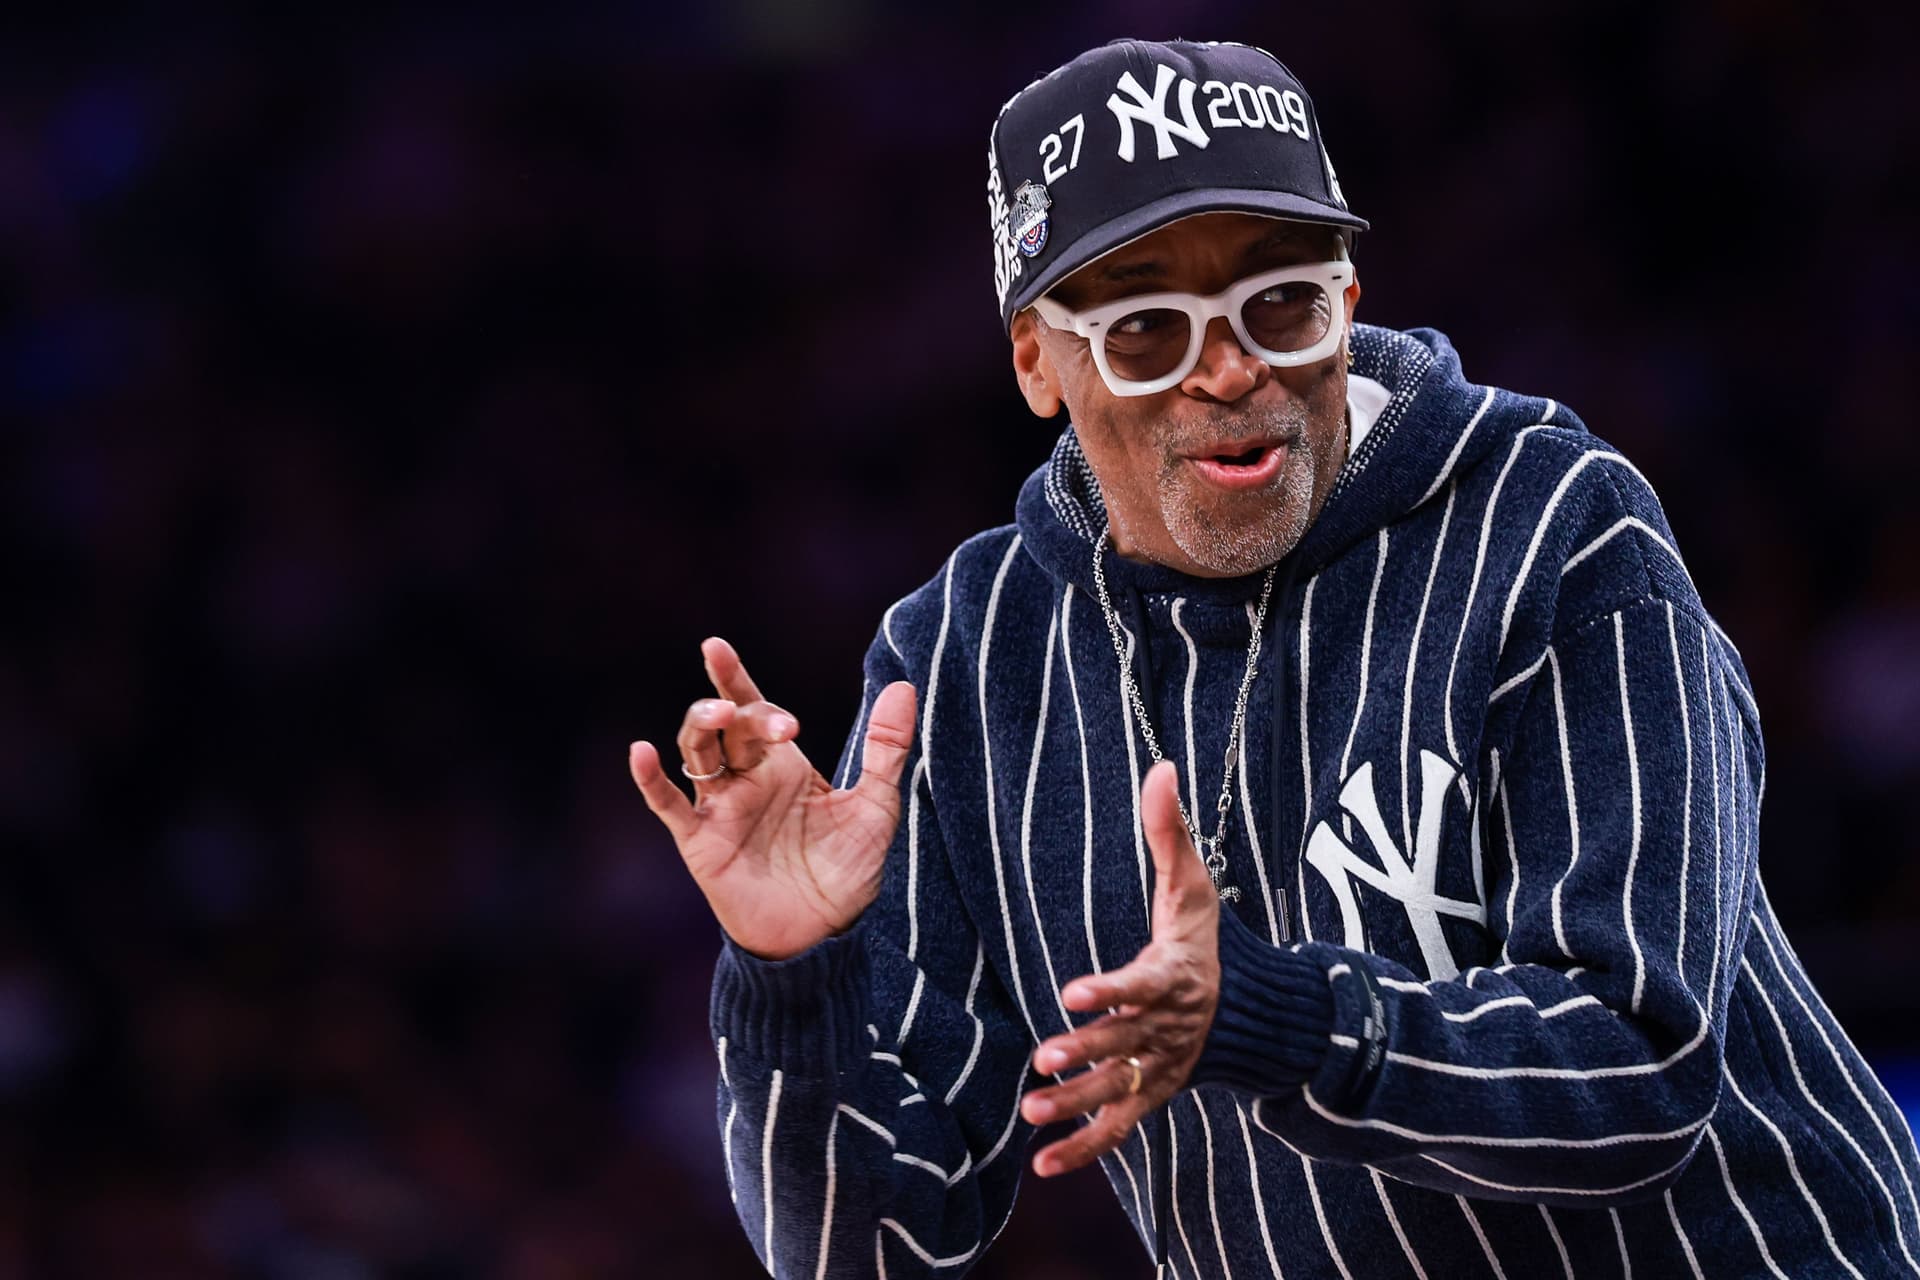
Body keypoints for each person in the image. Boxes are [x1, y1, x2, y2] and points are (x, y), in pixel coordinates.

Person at [630, 37, 1920, 1279]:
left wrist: (1273, 1019)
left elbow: (1640, 1064)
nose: (1231, 369)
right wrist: (789, 980)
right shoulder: (964, 661)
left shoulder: (1553, 527)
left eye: (1281, 303)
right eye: (1146, 329)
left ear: (1348, 304)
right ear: (1035, 356)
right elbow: (879, 1249)